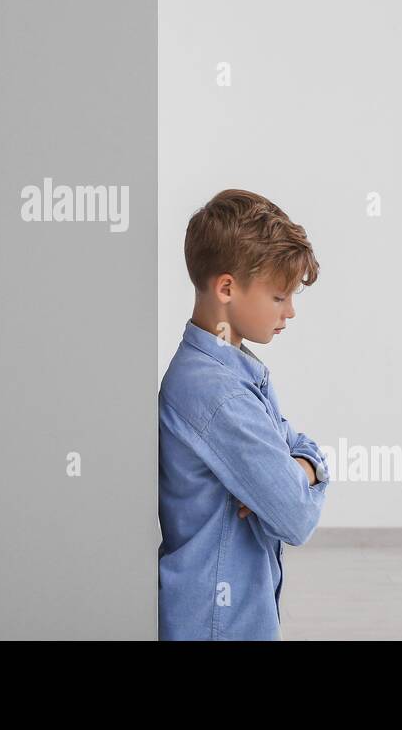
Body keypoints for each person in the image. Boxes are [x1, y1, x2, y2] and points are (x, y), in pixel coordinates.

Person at [157, 188, 330, 640]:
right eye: (278, 297)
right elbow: (294, 516)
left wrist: (303, 466)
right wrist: (298, 474)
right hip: (218, 625)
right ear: (227, 288)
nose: (290, 312)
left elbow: (296, 450)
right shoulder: (218, 395)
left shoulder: (235, 373)